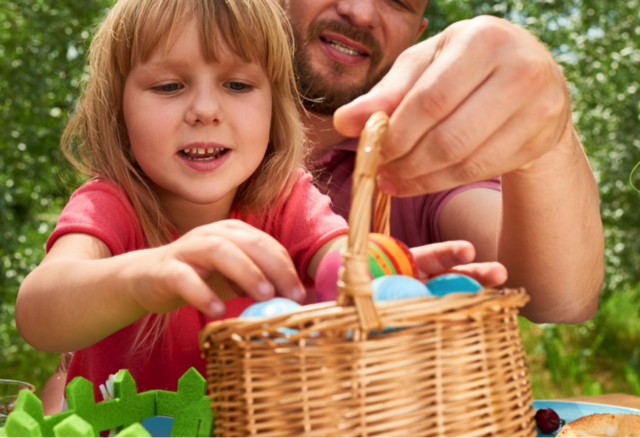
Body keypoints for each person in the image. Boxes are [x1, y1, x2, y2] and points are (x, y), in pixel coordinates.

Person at [17, 0, 507, 412]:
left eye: (238, 85)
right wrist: (150, 275)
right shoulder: (111, 206)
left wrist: (379, 277)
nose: (205, 110)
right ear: (118, 108)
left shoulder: (284, 199)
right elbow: (40, 312)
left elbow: (337, 256)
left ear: (275, 104)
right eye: (169, 86)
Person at [278, 0, 604, 324]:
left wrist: (545, 133)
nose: (360, 13)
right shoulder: (226, 140)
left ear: (416, 34)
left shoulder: (425, 157)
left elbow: (561, 299)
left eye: (398, 2)